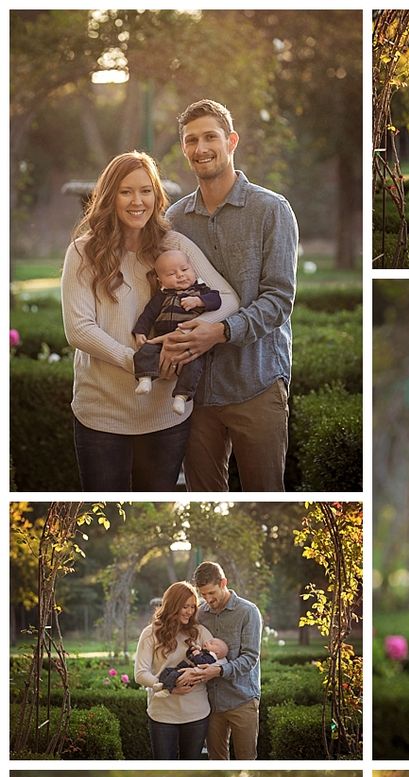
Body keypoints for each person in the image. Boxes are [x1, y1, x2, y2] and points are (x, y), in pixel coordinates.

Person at [61, 151, 239, 491]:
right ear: (109, 196)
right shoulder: (82, 252)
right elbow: (79, 329)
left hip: (164, 415)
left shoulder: (174, 247)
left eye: (146, 191)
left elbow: (228, 298)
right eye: (126, 191)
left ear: (156, 196)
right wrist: (139, 362)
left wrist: (189, 336)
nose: (137, 201)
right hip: (101, 412)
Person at [161, 99, 299, 492]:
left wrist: (220, 331)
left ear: (231, 141)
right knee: (201, 493)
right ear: (184, 149)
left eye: (210, 137)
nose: (201, 147)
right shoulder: (175, 221)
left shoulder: (271, 210)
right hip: (196, 393)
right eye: (191, 140)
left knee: (267, 490)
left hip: (255, 381)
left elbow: (279, 299)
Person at [172, 561, 263, 761]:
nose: (207, 599)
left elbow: (250, 657)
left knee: (246, 759)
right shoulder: (201, 613)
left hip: (242, 699)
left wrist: (219, 671)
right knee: (216, 761)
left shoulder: (248, 612)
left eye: (211, 593)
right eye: (203, 594)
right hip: (211, 703)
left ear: (224, 583)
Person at [133, 249, 222, 413]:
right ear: (161, 281)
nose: (180, 275)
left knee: (194, 366)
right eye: (171, 273)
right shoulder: (162, 297)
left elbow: (217, 300)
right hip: (161, 341)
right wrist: (140, 332)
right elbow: (147, 315)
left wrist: (199, 301)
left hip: (190, 342)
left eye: (184, 269)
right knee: (144, 351)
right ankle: (145, 378)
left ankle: (181, 397)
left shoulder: (200, 291)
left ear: (193, 270)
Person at [134, 581, 214, 760]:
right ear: (172, 605)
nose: (190, 611)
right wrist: (167, 686)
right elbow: (140, 673)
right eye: (185, 606)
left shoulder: (199, 632)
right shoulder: (150, 633)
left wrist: (196, 674)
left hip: (196, 714)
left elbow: (218, 661)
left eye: (193, 607)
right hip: (162, 715)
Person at [152, 636, 229, 697]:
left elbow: (200, 662)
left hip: (188, 673)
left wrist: (197, 654)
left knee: (173, 675)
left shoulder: (211, 658)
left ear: (217, 652)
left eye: (211, 643)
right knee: (167, 670)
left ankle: (167, 690)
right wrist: (191, 650)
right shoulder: (204, 652)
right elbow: (189, 656)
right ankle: (162, 683)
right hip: (182, 667)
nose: (207, 642)